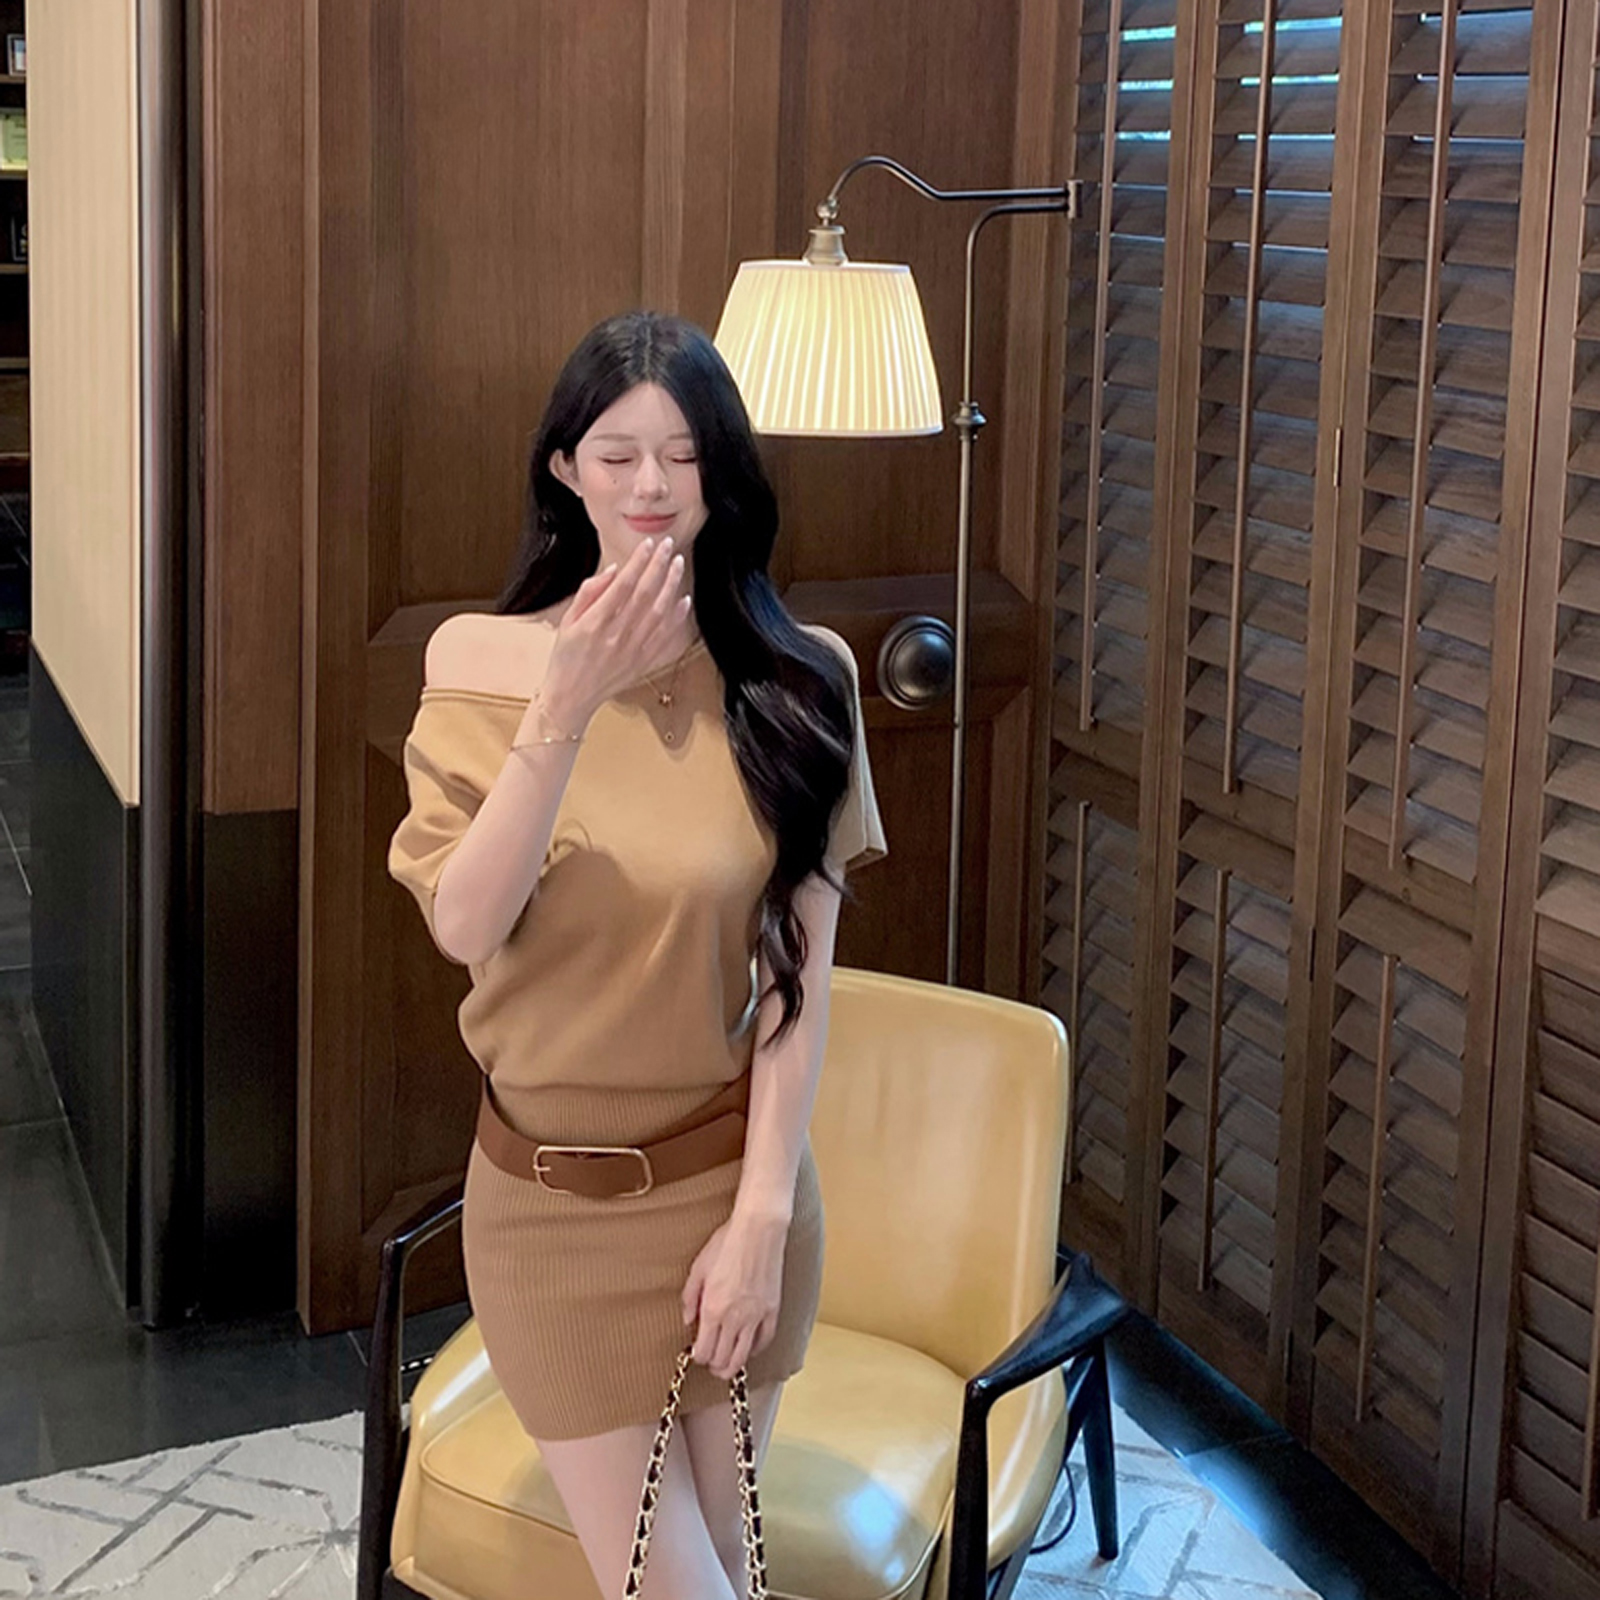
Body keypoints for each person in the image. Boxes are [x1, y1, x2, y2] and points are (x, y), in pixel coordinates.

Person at [387, 309, 887, 1600]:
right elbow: (464, 923)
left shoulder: (801, 680)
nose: (653, 485)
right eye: (617, 455)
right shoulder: (479, 663)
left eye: (685, 454)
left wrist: (761, 1220)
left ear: (725, 473)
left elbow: (800, 983)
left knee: (734, 1572)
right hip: (550, 1215)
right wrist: (562, 703)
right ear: (566, 469)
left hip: (733, 1198)